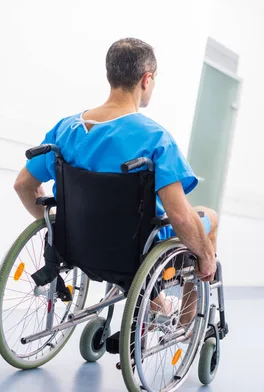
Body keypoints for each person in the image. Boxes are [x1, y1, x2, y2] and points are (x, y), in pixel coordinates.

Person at [13, 37, 218, 325]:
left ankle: (158, 303)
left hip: (74, 245)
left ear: (111, 75)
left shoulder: (66, 129)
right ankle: (184, 323)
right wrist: (207, 256)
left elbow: (23, 184)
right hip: (132, 253)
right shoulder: (154, 138)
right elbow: (181, 218)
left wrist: (61, 223)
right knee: (209, 217)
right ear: (146, 80)